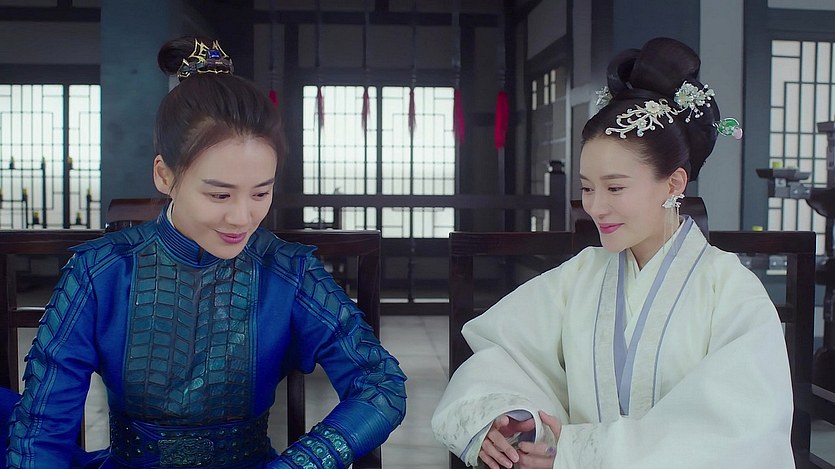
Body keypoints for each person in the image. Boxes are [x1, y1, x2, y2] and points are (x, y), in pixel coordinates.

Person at [6, 36, 407, 469]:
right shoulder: (100, 272)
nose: (242, 217)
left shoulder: (288, 271)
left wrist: (300, 464)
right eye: (219, 195)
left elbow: (380, 385)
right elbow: (43, 427)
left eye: (261, 193)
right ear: (164, 175)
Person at [432, 37, 794, 469]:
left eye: (615, 188)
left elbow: (740, 429)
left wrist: (583, 452)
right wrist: (506, 413)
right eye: (587, 188)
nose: (596, 207)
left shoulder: (730, 290)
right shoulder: (580, 276)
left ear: (674, 183)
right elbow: (506, 355)